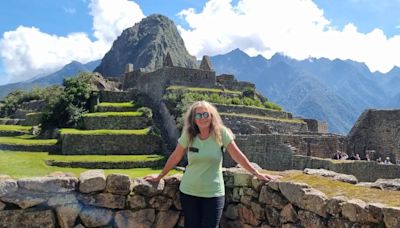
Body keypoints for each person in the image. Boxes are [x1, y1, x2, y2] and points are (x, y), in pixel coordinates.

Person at [145, 100, 275, 228]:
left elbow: (237, 155)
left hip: (213, 193)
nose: (202, 118)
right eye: (198, 115)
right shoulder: (189, 135)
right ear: (193, 119)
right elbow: (175, 156)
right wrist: (160, 176)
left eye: (205, 114)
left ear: (212, 115)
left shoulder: (221, 133)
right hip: (189, 192)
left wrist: (256, 173)